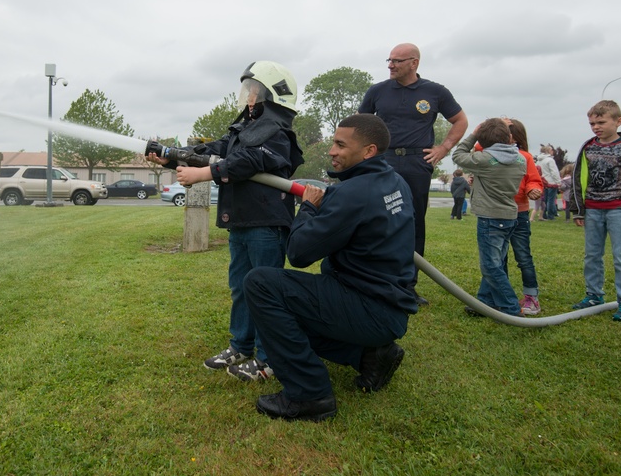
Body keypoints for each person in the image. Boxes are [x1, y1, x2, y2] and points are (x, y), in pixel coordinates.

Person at [243, 114, 417, 422]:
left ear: (369, 151)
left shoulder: (352, 193)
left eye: (340, 145)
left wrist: (308, 207)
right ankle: (370, 356)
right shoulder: (396, 182)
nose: (332, 151)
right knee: (287, 318)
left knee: (261, 285)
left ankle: (309, 395)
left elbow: (297, 254)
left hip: (369, 309)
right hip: (390, 309)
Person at [148, 61, 304, 382]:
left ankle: (268, 358)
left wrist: (204, 173)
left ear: (272, 95)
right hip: (242, 223)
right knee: (241, 287)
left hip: (266, 225)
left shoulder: (277, 133)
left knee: (266, 290)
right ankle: (242, 345)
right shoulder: (243, 130)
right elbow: (212, 150)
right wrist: (171, 155)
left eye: (254, 91)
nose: (248, 97)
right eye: (247, 91)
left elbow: (251, 160)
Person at [359, 42, 468, 305]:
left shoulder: (435, 91)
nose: (390, 65)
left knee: (414, 222)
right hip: (382, 162)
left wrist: (443, 148)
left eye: (396, 61)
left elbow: (460, 120)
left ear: (414, 62)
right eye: (389, 60)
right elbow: (360, 124)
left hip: (416, 163)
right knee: (375, 219)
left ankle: (407, 286)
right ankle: (371, 280)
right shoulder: (377, 91)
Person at [569, 100, 621, 322]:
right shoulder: (588, 146)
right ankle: (593, 295)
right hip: (593, 210)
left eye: (601, 122)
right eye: (592, 123)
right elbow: (578, 179)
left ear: (618, 121)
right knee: (592, 255)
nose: (596, 127)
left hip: (620, 209)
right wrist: (578, 209)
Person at [452, 118, 527, 317]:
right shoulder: (521, 159)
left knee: (490, 266)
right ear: (509, 138)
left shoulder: (484, 160)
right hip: (510, 216)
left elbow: (458, 155)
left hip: (490, 218)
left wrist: (474, 134)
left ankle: (510, 307)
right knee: (497, 262)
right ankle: (485, 303)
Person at [504, 119, 545, 315]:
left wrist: (533, 190)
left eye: (505, 132)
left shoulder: (525, 157)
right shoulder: (489, 155)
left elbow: (533, 180)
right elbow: (478, 144)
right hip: (495, 214)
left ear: (514, 137)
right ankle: (502, 296)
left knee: (523, 257)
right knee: (497, 258)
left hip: (519, 214)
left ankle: (531, 298)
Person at [535, 145, 562, 220]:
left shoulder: (539, 161)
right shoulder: (550, 160)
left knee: (545, 200)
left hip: (543, 181)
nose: (553, 151)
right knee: (551, 200)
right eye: (551, 150)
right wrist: (558, 181)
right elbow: (554, 172)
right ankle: (551, 215)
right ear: (548, 151)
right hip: (551, 181)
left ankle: (543, 214)